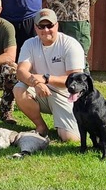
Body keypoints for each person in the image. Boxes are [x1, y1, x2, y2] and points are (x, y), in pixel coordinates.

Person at [13, 8, 83, 141]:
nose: (45, 30)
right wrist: (37, 82)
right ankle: (41, 126)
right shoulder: (30, 44)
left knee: (70, 139)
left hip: (66, 95)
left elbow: (76, 80)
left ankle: (66, 125)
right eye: (41, 26)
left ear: (57, 25)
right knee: (19, 89)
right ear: (35, 27)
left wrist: (46, 79)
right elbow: (21, 71)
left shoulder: (70, 45)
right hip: (41, 90)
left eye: (50, 26)